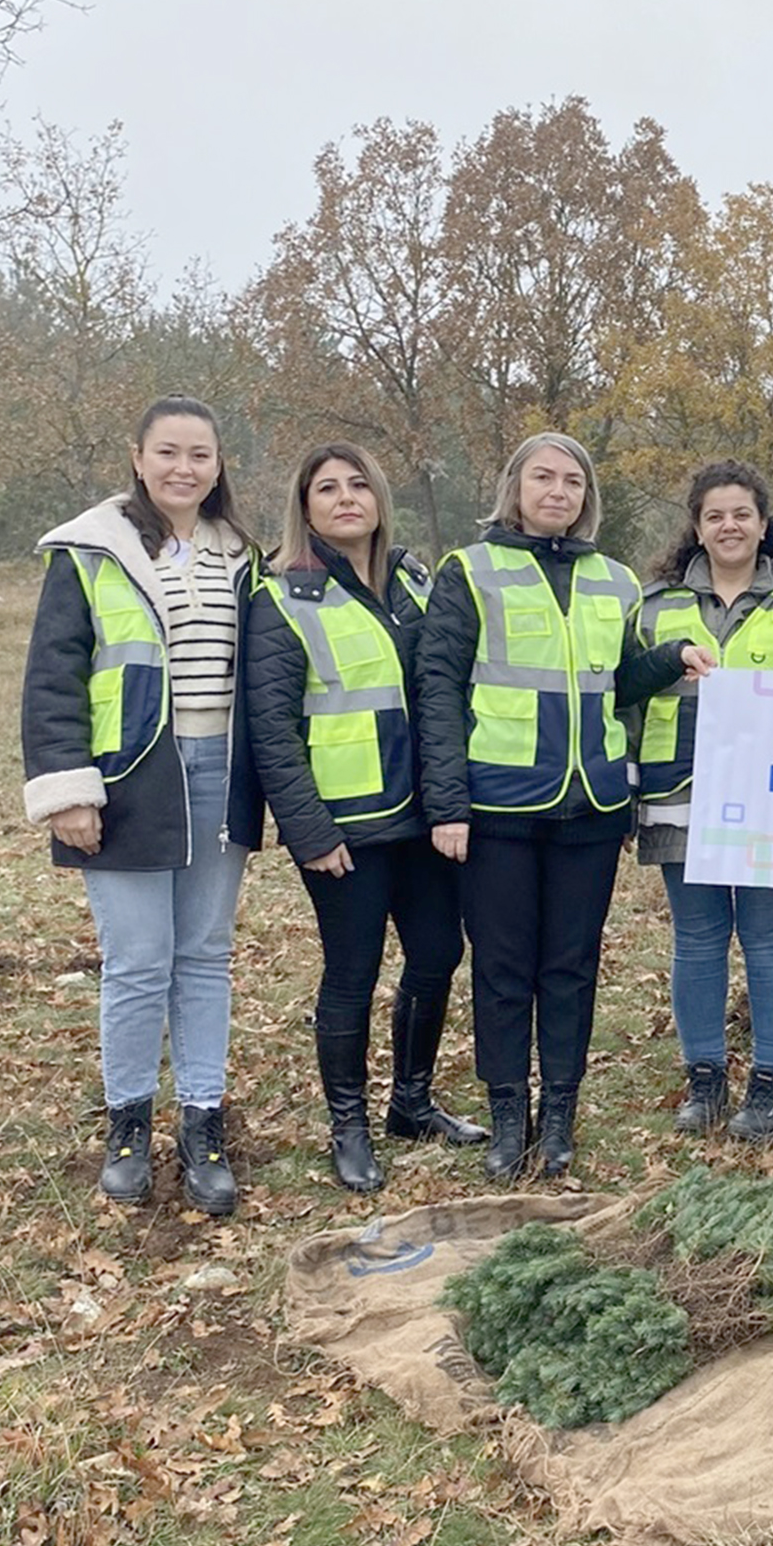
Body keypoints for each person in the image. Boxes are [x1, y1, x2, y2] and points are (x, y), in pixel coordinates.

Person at [416, 433, 709, 1182]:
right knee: (504, 967)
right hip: (497, 805)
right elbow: (439, 692)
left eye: (572, 481)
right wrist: (447, 803)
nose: (558, 491)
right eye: (543, 477)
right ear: (514, 486)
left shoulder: (613, 579)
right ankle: (508, 1113)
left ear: (587, 497)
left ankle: (561, 1116)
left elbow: (611, 684)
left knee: (572, 967)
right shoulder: (469, 571)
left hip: (592, 806)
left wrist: (670, 655)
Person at [21, 395, 263, 1216]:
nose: (184, 468)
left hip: (220, 771)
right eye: (168, 452)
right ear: (138, 456)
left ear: (219, 464)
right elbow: (53, 678)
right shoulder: (90, 551)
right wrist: (68, 790)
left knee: (203, 955)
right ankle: (128, 1125)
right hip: (129, 777)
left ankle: (203, 1123)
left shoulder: (242, 554)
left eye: (200, 453)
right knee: (136, 961)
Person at [244, 442, 487, 1196]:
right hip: (346, 827)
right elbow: (271, 730)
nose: (345, 498)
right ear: (305, 505)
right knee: (351, 973)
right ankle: (347, 1124)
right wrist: (310, 831)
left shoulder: (415, 581)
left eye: (359, 485)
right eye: (327, 488)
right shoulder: (283, 594)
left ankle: (411, 1102)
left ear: (380, 497)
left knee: (438, 952)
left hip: (423, 816)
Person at [635, 461, 773, 1143]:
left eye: (742, 514)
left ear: (764, 523)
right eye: (715, 515)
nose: (729, 525)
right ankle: (705, 1078)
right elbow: (628, 698)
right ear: (696, 525)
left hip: (769, 800)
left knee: (769, 934)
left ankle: (770, 1081)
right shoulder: (655, 604)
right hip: (678, 789)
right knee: (696, 937)